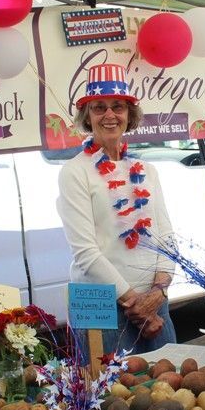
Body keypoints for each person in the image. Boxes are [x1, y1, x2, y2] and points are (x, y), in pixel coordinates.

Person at [56, 63, 177, 355]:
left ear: (129, 115)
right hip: (102, 305)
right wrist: (137, 305)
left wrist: (158, 293)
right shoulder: (75, 172)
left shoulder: (146, 169)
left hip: (154, 302)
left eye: (117, 107)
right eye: (99, 107)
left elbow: (167, 237)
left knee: (171, 393)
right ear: (87, 117)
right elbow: (85, 252)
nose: (109, 115)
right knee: (112, 398)